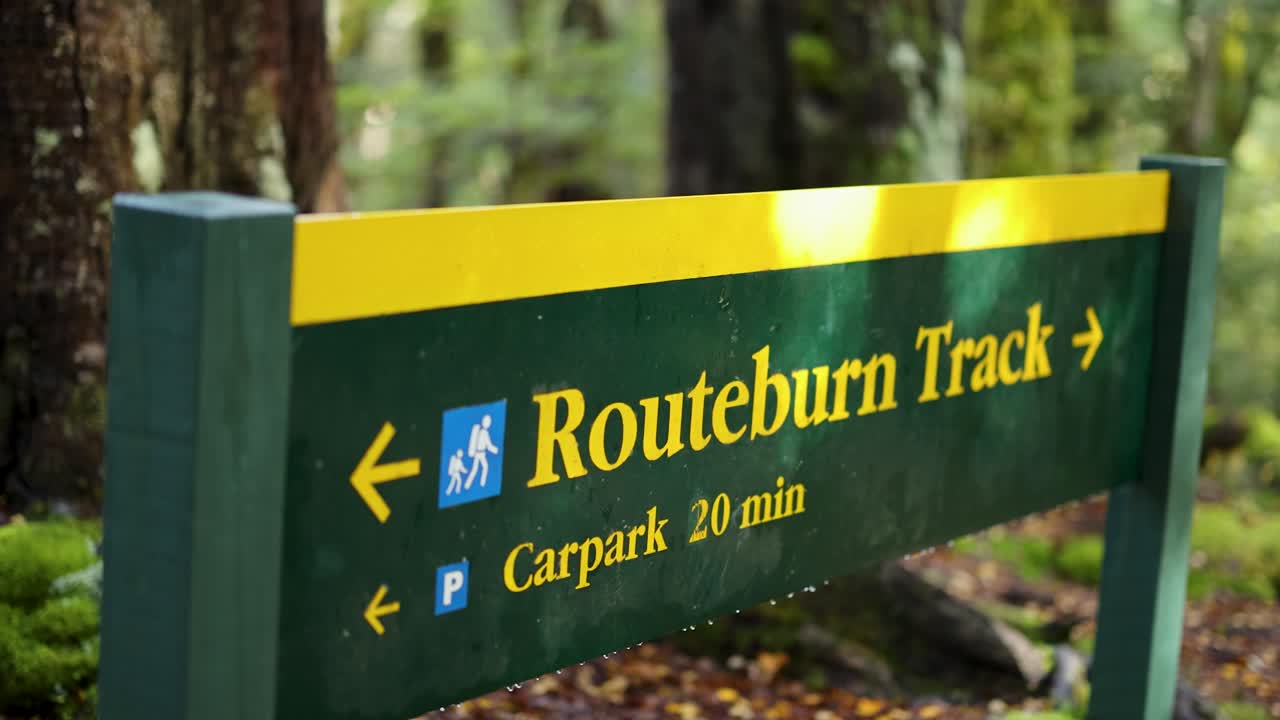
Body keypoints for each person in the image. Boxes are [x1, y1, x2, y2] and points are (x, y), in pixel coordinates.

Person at [464, 414, 500, 488]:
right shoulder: (485, 433)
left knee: (476, 469)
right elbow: (488, 445)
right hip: (480, 453)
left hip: (479, 453)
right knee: (483, 467)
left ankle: (468, 484)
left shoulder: (480, 432)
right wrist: (496, 450)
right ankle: (481, 483)